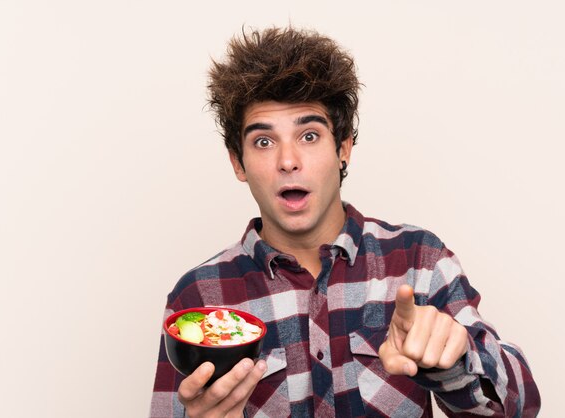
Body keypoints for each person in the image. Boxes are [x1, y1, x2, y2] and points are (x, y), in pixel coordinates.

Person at [150, 26, 540, 418]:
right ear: (238, 162)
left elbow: (521, 406)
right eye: (263, 142)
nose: (288, 160)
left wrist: (457, 361)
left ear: (343, 148)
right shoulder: (198, 300)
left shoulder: (419, 261)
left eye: (309, 136)